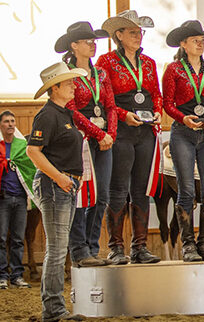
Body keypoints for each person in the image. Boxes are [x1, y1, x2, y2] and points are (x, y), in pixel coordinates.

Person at [97, 10, 161, 264]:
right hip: (122, 129)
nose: (138, 36)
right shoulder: (106, 61)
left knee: (141, 189)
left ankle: (140, 247)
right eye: (133, 32)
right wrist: (124, 115)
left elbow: (155, 92)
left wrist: (157, 111)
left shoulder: (149, 63)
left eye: (140, 32)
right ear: (119, 35)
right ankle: (115, 248)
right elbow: (105, 98)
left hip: (145, 130)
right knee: (118, 188)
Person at [27, 63, 88, 321]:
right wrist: (61, 177)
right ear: (55, 88)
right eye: (68, 83)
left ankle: (54, 308)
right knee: (56, 248)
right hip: (55, 185)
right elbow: (33, 151)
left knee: (58, 247)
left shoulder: (62, 113)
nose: (74, 86)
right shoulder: (48, 115)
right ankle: (53, 310)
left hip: (64, 184)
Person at [55, 22, 116, 268]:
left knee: (102, 195)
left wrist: (109, 133)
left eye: (94, 41)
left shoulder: (100, 73)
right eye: (87, 41)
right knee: (81, 195)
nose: (93, 44)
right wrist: (97, 134)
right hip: (79, 140)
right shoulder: (66, 73)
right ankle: (78, 248)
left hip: (103, 138)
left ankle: (91, 245)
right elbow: (71, 109)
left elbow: (110, 105)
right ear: (74, 45)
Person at [163, 20, 204, 262]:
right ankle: (188, 244)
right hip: (182, 133)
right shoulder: (173, 70)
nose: (200, 42)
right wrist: (183, 118)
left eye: (202, 39)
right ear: (184, 44)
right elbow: (167, 103)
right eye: (195, 39)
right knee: (186, 189)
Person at [0, 111, 32, 289]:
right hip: (3, 198)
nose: (11, 124)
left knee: (18, 239)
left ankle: (17, 275)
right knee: (1, 238)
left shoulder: (22, 146)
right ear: (1, 125)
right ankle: (2, 275)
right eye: (6, 121)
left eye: (13, 121)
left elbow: (29, 169)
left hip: (20, 198)